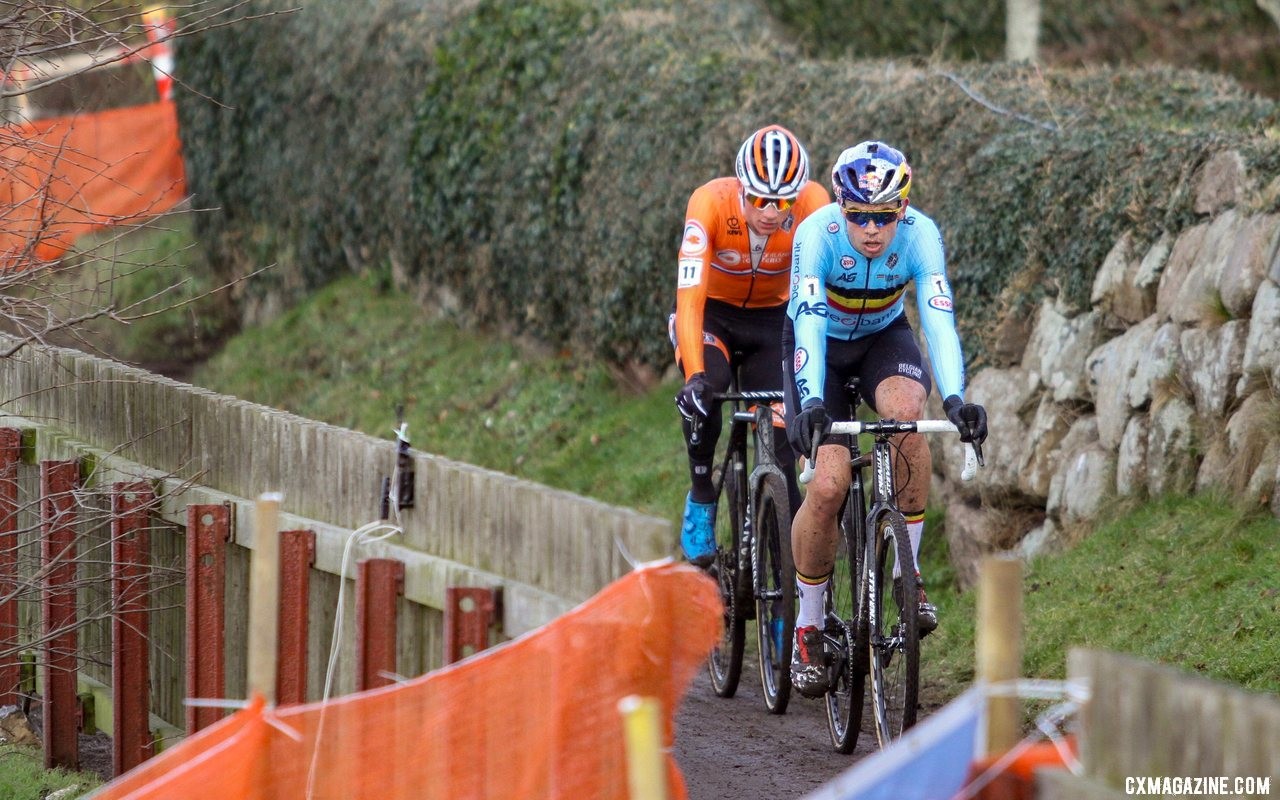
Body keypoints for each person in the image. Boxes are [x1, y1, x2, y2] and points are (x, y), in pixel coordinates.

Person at [782, 140, 987, 697]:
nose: (872, 229)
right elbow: (805, 323)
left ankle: (906, 576)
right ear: (841, 210)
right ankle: (808, 625)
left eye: (885, 216)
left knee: (907, 416)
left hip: (882, 338)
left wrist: (956, 400)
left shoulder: (922, 235)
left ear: (903, 210)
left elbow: (938, 320)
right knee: (826, 485)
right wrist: (812, 403)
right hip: (820, 346)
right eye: (859, 216)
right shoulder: (815, 235)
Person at [671, 124, 830, 566]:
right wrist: (695, 377)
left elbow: (827, 287)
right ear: (742, 188)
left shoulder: (815, 204)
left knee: (782, 438)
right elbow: (689, 296)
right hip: (714, 316)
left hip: (772, 321)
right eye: (759, 199)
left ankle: (782, 564)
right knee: (707, 394)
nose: (770, 211)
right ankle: (702, 495)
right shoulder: (710, 203)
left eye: (781, 202)